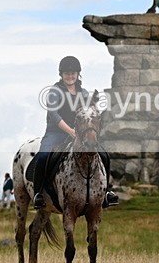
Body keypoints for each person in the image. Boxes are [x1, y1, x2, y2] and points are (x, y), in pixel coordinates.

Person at [33, 56, 118, 210]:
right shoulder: (55, 91)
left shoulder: (83, 92)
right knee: (44, 155)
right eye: (67, 73)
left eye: (73, 73)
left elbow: (88, 111)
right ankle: (38, 193)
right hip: (56, 132)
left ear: (78, 74)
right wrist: (70, 131)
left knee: (103, 154)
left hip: (79, 132)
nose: (70, 76)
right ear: (61, 74)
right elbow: (54, 114)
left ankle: (106, 192)